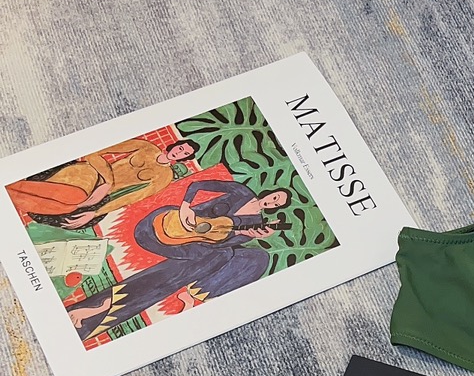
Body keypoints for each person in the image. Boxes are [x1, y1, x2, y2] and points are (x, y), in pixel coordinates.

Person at [64, 180, 291, 340]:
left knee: (211, 260)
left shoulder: (253, 223)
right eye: (275, 197)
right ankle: (98, 309)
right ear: (269, 193)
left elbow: (216, 242)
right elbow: (197, 185)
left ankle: (96, 313)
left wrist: (247, 234)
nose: (272, 203)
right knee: (207, 261)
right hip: (165, 225)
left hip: (191, 249)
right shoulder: (241, 192)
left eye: (277, 204)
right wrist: (186, 207)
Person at [8, 139, 198, 229]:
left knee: (73, 209)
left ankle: (14, 197)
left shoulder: (164, 177)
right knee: (76, 196)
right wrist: (107, 181)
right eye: (181, 147)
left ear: (184, 159)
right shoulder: (146, 147)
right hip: (93, 174)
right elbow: (96, 151)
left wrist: (96, 212)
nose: (179, 152)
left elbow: (130, 198)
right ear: (176, 145)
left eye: (184, 153)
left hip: (103, 197)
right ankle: (14, 192)